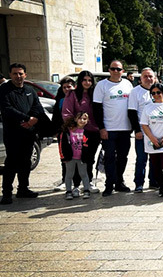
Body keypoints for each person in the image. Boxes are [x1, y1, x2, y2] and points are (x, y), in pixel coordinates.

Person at [1, 63, 50, 204]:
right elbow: (7, 109)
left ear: (25, 75)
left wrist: (32, 120)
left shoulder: (30, 90)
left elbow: (37, 106)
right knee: (11, 163)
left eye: (21, 73)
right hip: (12, 134)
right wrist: (26, 118)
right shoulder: (4, 90)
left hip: (29, 133)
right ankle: (7, 193)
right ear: (10, 75)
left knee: (25, 162)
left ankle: (23, 189)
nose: (18, 76)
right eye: (15, 73)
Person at [93, 60, 133, 196]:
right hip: (109, 129)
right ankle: (109, 184)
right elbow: (97, 108)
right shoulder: (101, 85)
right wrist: (101, 128)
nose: (116, 71)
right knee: (109, 157)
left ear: (123, 71)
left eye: (118, 69)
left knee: (123, 157)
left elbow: (132, 107)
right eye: (113, 69)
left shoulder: (128, 84)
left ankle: (119, 182)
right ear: (109, 70)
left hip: (125, 129)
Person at [62, 70, 100, 188]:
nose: (87, 82)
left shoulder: (95, 94)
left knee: (89, 159)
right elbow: (67, 112)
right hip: (78, 132)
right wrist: (74, 127)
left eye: (89, 80)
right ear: (80, 81)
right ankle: (76, 185)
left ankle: (88, 182)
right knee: (78, 158)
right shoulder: (72, 94)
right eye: (84, 80)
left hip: (93, 132)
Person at [128, 67, 157, 193]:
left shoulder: (158, 91)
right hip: (142, 132)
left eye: (150, 76)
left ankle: (154, 181)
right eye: (145, 76)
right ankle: (139, 183)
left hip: (156, 132)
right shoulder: (135, 92)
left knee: (155, 158)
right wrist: (137, 130)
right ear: (140, 79)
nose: (148, 79)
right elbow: (132, 112)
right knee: (141, 158)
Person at [59, 112, 94, 199]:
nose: (82, 120)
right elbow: (62, 145)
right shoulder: (68, 131)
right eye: (80, 118)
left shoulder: (87, 132)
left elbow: (89, 147)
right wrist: (63, 157)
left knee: (84, 174)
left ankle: (86, 190)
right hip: (70, 157)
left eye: (85, 119)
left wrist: (88, 157)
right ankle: (68, 191)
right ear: (75, 119)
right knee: (69, 175)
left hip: (82, 158)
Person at [52, 76, 75, 192]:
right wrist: (56, 130)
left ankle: (79, 181)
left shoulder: (78, 98)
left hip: (77, 133)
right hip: (63, 132)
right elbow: (56, 116)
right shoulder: (60, 100)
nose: (67, 89)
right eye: (64, 87)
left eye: (69, 86)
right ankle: (65, 180)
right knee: (64, 156)